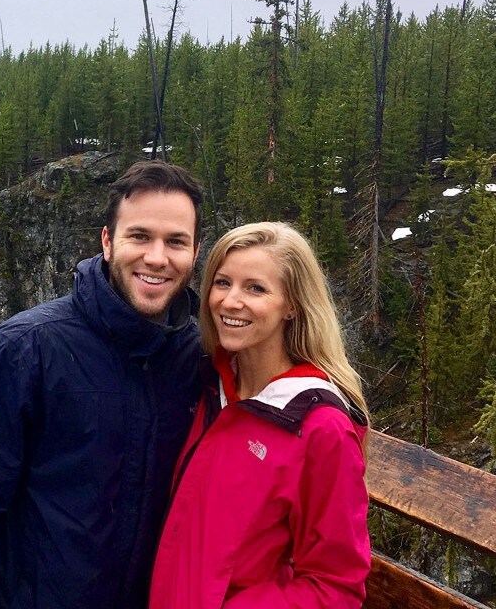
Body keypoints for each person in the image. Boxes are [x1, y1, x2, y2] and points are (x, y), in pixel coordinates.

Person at [0, 161, 207, 608]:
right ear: (108, 242)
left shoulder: (200, 356)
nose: (156, 257)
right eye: (140, 236)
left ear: (195, 251)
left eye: (176, 242)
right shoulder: (27, 347)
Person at [149, 222, 371, 608]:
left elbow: (336, 586)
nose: (230, 301)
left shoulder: (319, 427)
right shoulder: (211, 384)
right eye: (222, 283)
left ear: (292, 306)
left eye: (256, 288)